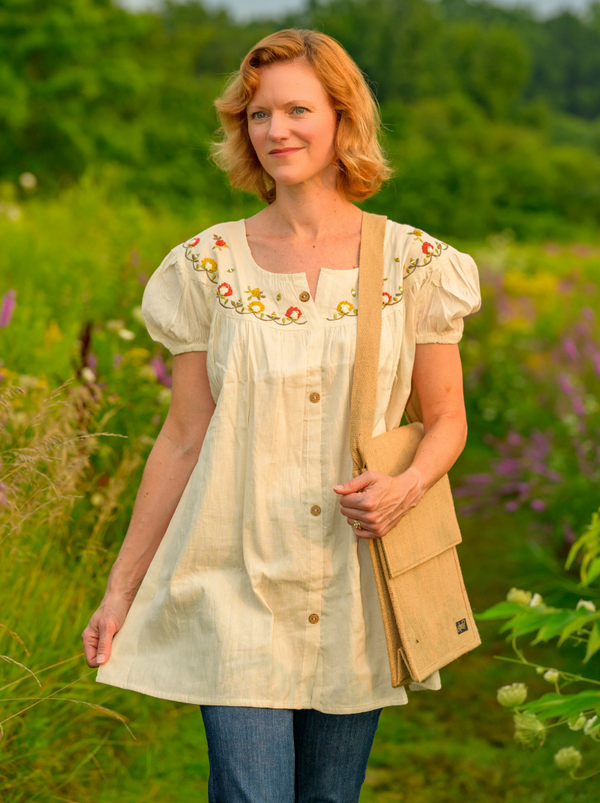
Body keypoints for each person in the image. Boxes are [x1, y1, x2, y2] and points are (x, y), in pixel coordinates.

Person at [83, 28, 481, 803]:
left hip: (355, 584)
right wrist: (120, 588)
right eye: (258, 114)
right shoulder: (205, 266)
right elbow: (184, 434)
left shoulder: (414, 265)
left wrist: (408, 486)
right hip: (233, 577)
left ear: (342, 119)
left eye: (297, 110)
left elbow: (447, 418)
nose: (276, 131)